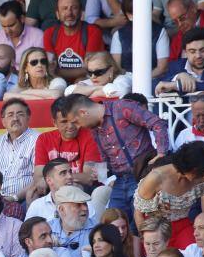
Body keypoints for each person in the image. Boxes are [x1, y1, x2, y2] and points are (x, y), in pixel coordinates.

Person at [61, 93, 169, 223]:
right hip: (119, 181)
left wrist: (161, 154)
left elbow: (157, 123)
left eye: (76, 122)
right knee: (115, 225)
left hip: (142, 175)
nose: (77, 127)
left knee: (141, 225)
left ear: (83, 112)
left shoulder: (121, 107)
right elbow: (105, 157)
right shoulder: (94, 128)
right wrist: (101, 175)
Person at [44, 0, 105, 82]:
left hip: (86, 82)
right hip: (59, 82)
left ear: (81, 12)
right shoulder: (50, 33)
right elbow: (49, 66)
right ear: (57, 14)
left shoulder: (92, 32)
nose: (69, 13)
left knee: (80, 81)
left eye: (74, 8)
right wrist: (54, 72)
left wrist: (56, 72)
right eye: (64, 8)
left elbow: (90, 69)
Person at [155, 28, 204, 96]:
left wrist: (177, 85)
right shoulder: (175, 66)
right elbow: (158, 86)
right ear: (185, 52)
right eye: (192, 51)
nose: (198, 55)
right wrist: (178, 76)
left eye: (203, 50)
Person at [0, 0, 44, 69]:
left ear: (22, 19)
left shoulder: (37, 36)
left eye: (11, 25)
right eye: (4, 26)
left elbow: (41, 66)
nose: (8, 31)